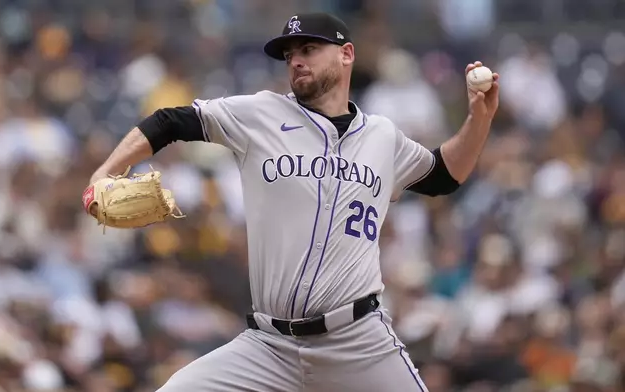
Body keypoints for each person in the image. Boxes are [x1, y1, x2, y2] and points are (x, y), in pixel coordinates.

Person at [85, 12, 499, 392]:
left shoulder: (383, 136)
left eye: (309, 49)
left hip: (357, 342)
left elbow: (444, 176)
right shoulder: (260, 113)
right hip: (269, 346)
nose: (296, 60)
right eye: (290, 54)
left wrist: (478, 119)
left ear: (346, 54)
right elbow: (168, 121)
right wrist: (104, 173)